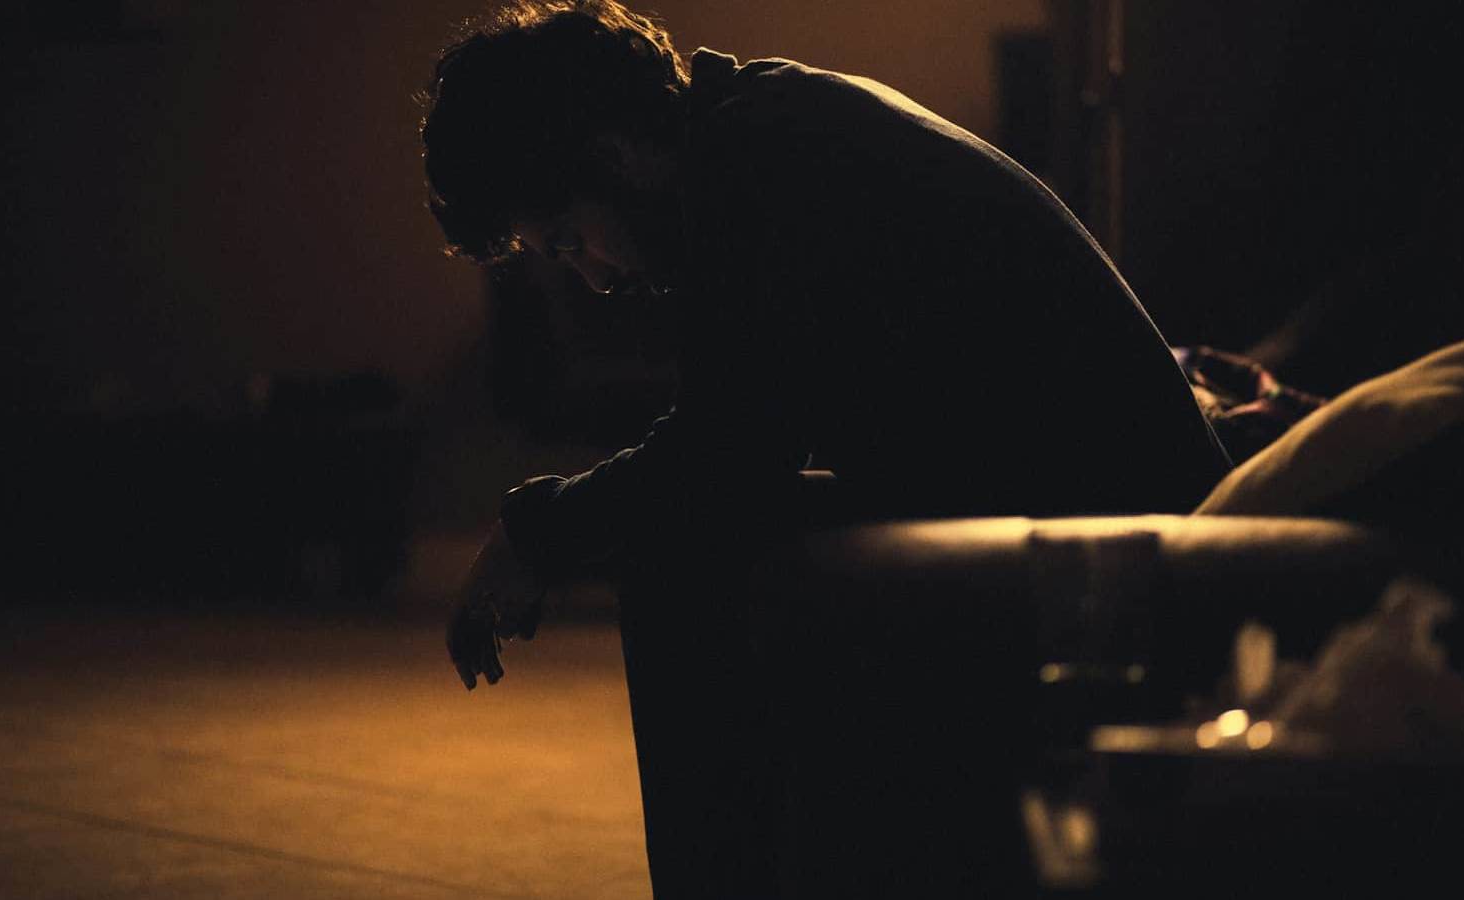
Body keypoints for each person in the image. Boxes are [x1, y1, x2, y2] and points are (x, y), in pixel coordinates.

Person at [422, 1, 1228, 891]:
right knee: (707, 537)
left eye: (571, 241)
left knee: (679, 553)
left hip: (1123, 556)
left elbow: (725, 454)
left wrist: (536, 532)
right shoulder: (756, 125)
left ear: (612, 154)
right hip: (1073, 517)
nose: (596, 278)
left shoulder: (759, 162)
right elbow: (738, 438)